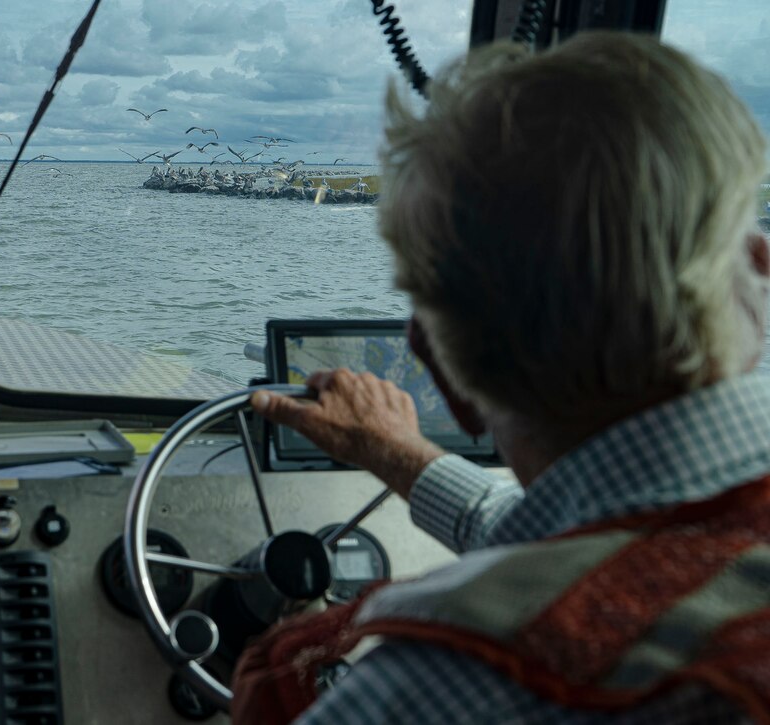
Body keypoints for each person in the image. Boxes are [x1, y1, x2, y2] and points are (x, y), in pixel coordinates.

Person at [233, 31, 770, 723]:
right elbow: (622, 543)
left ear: (447, 379)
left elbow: (599, 564)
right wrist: (396, 450)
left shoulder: (421, 692)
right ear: (759, 275)